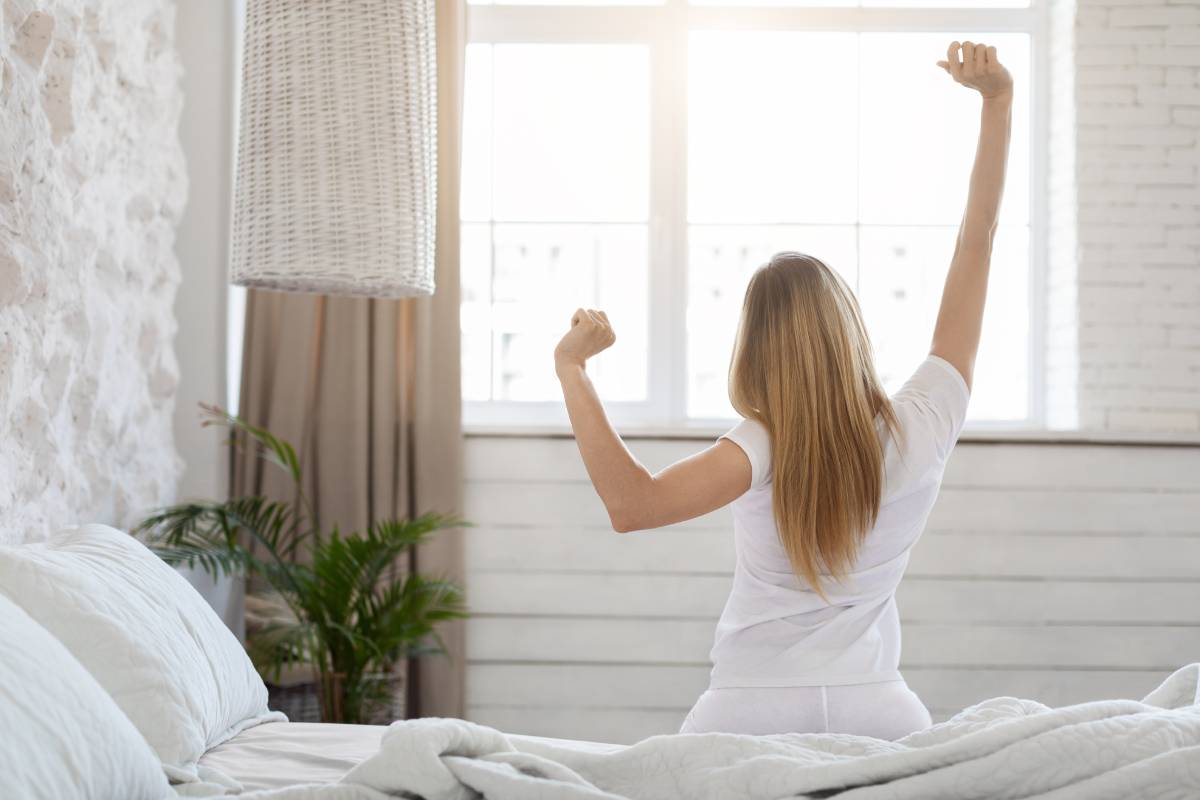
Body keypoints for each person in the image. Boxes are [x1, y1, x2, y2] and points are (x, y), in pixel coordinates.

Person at [553, 41, 1013, 739]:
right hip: (882, 710)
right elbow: (976, 243)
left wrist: (573, 371)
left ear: (757, 349)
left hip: (747, 709)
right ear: (851, 329)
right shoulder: (923, 419)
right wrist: (998, 103)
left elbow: (631, 505)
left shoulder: (759, 446)